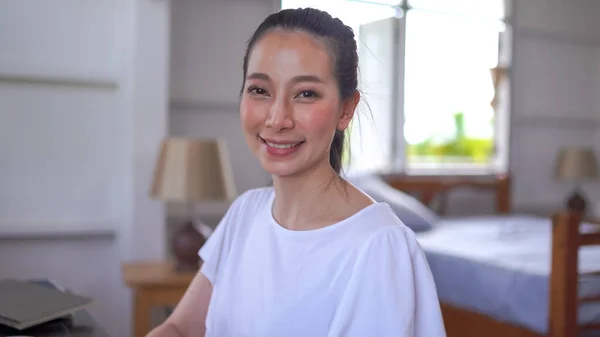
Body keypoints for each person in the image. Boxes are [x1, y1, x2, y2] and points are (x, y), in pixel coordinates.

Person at [146, 7, 446, 337]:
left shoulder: (379, 246)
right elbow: (181, 327)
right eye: (260, 90)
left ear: (346, 110)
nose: (277, 118)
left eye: (306, 94)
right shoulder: (245, 214)